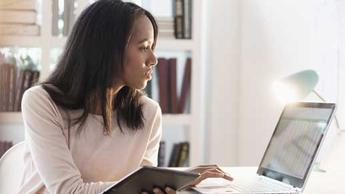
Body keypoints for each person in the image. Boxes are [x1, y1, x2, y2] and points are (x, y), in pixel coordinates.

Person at [17, 0, 232, 193]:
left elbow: (143, 187)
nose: (154, 59)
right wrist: (150, 184)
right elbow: (69, 191)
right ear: (107, 50)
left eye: (152, 47)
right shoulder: (42, 102)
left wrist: (173, 182)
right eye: (144, 47)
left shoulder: (148, 112)